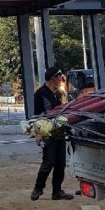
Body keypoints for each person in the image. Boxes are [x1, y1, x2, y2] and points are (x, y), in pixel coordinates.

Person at [30, 66, 73, 201]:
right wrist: (38, 133)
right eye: (59, 77)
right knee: (48, 162)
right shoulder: (40, 93)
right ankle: (38, 188)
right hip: (47, 132)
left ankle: (57, 191)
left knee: (60, 163)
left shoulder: (58, 93)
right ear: (53, 78)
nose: (61, 79)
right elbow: (37, 115)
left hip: (59, 131)